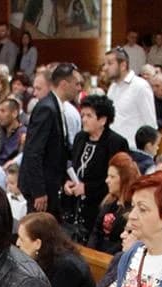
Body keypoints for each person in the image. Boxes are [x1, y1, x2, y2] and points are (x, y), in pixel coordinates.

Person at [64, 94, 130, 242]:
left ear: (103, 120)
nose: (84, 119)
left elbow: (117, 180)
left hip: (99, 206)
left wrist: (87, 188)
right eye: (83, 115)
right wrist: (68, 182)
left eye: (89, 115)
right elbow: (73, 166)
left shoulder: (116, 143)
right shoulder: (80, 137)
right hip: (75, 206)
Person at [20, 63, 75, 213]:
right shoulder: (47, 108)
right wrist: (39, 191)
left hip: (50, 183)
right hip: (41, 188)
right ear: (64, 84)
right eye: (76, 84)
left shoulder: (56, 106)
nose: (78, 88)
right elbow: (33, 152)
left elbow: (58, 148)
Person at [86, 151, 139, 252]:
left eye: (112, 177)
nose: (107, 180)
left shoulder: (133, 209)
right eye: (108, 176)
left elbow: (121, 242)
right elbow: (96, 231)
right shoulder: (108, 202)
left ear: (124, 180)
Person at [103, 47, 156, 148]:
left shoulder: (140, 86)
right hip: (113, 147)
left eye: (110, 63)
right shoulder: (113, 87)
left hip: (133, 150)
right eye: (105, 64)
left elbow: (150, 125)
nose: (105, 68)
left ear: (123, 65)